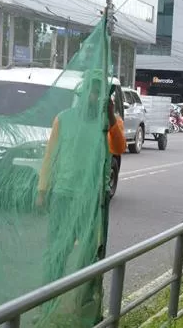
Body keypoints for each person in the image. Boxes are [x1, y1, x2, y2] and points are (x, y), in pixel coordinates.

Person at [37, 76, 125, 286]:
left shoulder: (108, 123)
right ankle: (49, 294)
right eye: (91, 91)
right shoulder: (63, 119)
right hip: (63, 193)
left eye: (98, 92)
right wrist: (42, 190)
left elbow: (119, 148)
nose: (93, 97)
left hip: (92, 197)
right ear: (82, 94)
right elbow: (50, 157)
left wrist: (111, 116)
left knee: (90, 250)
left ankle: (85, 298)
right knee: (58, 247)